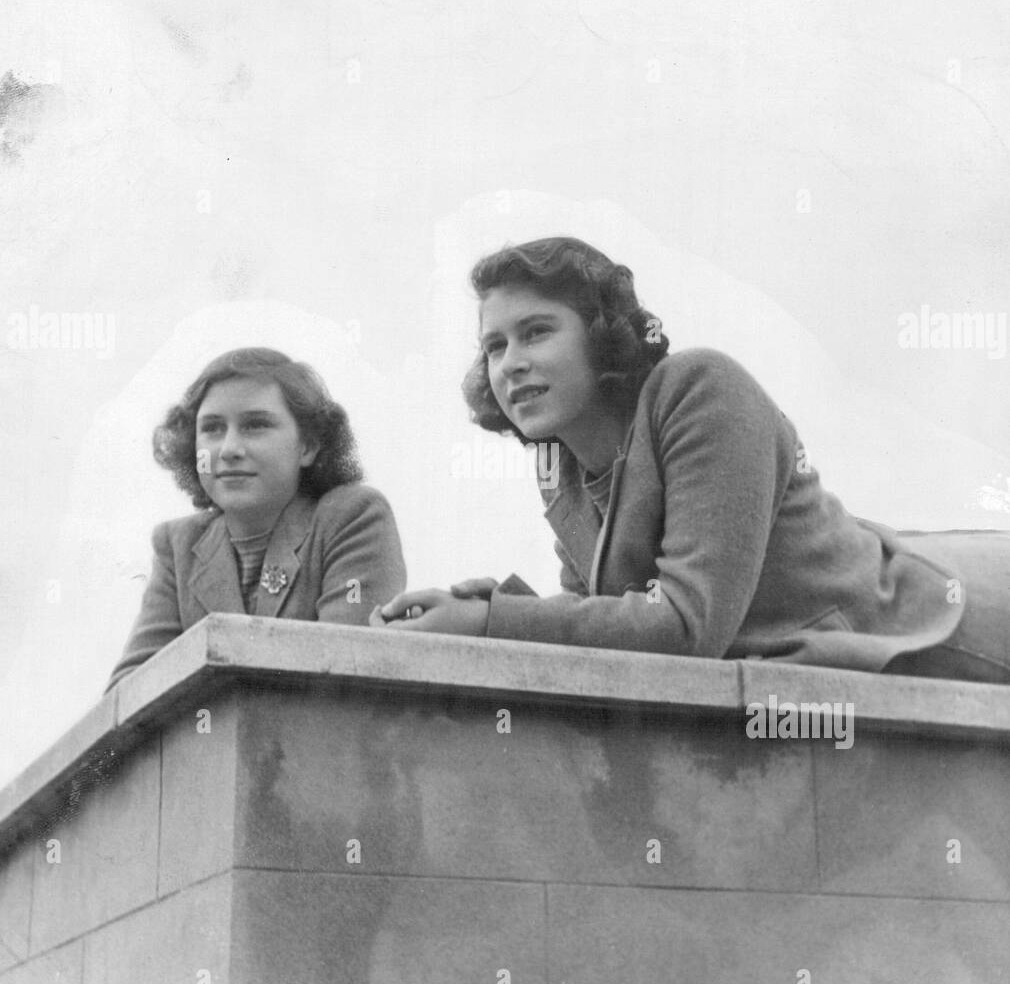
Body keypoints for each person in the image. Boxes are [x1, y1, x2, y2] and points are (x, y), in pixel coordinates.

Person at [371, 237, 1010, 683]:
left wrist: (490, 623)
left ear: (600, 334)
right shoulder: (561, 465)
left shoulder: (700, 388)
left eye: (537, 331)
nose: (509, 362)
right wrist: (489, 608)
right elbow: (607, 618)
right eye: (493, 345)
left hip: (943, 630)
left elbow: (683, 627)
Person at [107, 347, 406, 690]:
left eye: (256, 425)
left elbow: (345, 665)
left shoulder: (352, 516)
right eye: (212, 428)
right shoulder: (176, 545)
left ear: (307, 446)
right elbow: (128, 693)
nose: (229, 448)